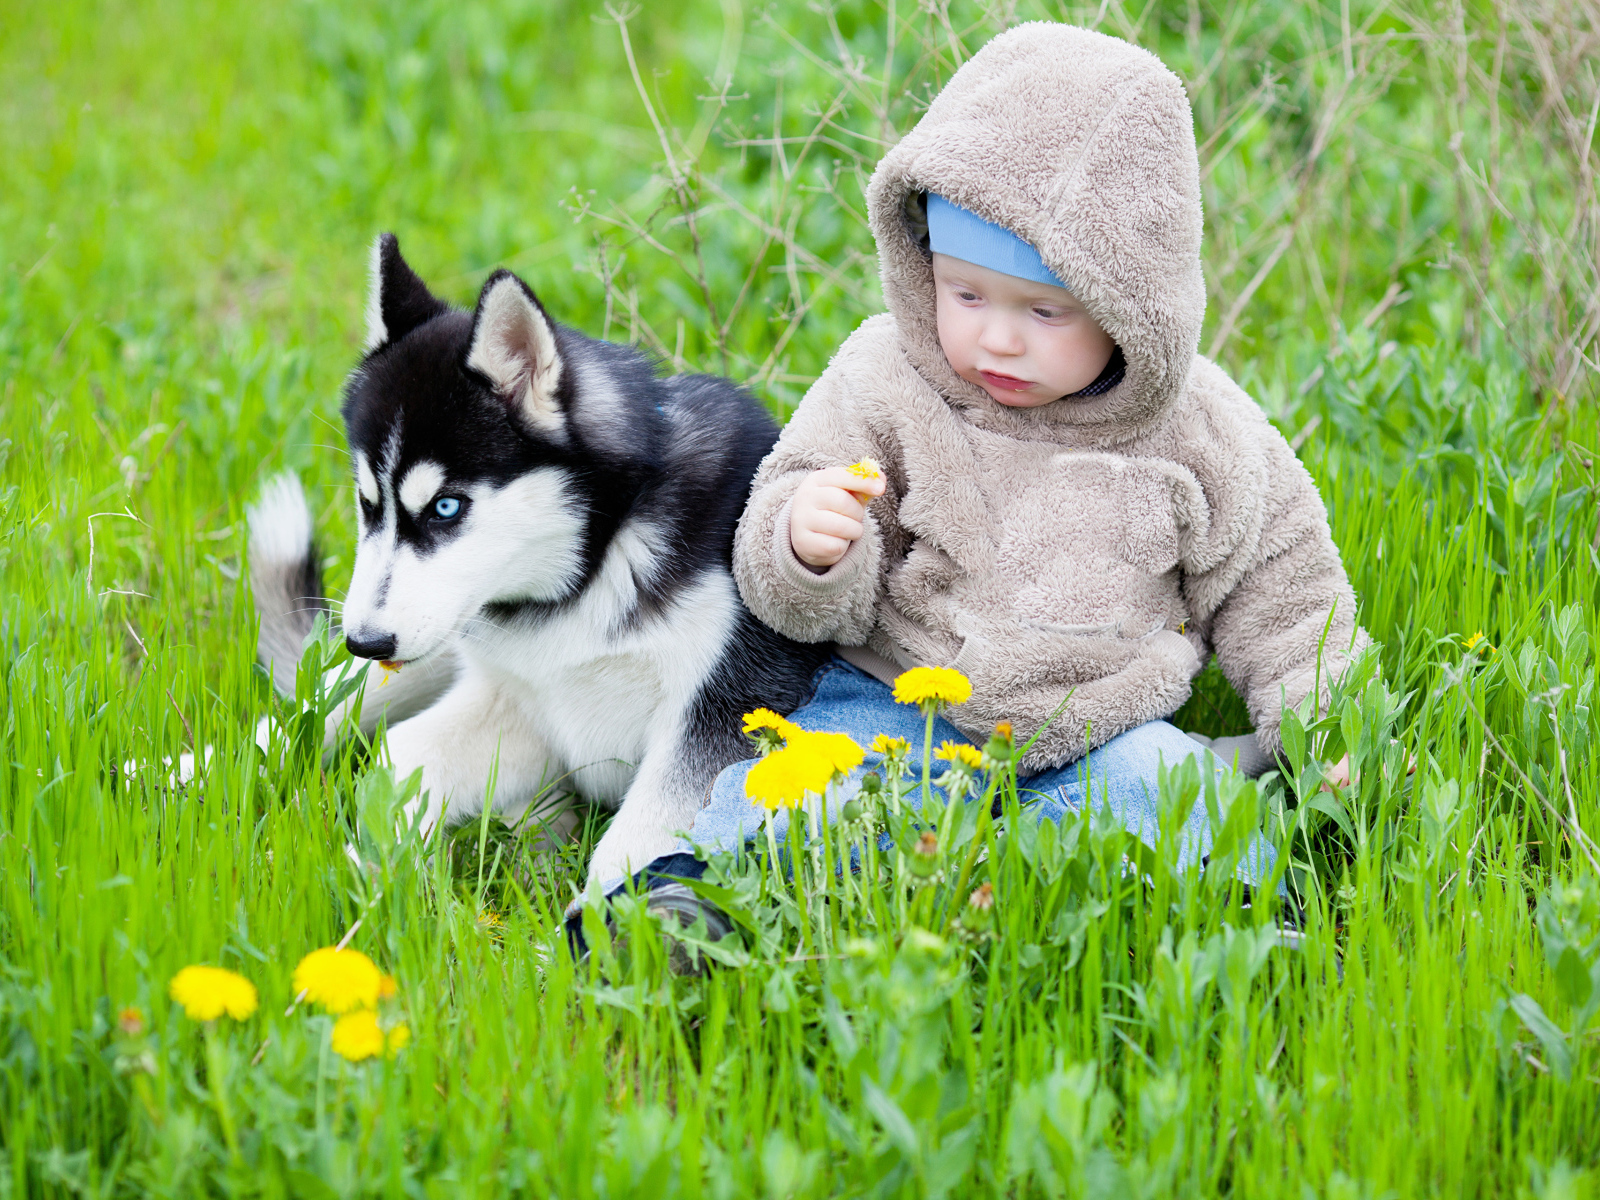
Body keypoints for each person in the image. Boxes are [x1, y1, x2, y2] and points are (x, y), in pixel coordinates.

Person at [577, 22, 1366, 940]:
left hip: (1095, 722)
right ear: (924, 269)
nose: (996, 338)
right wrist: (806, 545)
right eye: (965, 294)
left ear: (1131, 306)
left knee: (1164, 793)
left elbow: (1285, 586)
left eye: (1044, 310)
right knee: (802, 790)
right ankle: (700, 908)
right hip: (896, 699)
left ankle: (1215, 909)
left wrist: (1325, 727)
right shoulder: (883, 379)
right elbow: (784, 524)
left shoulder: (1201, 430)